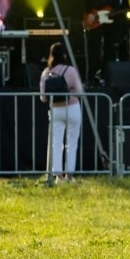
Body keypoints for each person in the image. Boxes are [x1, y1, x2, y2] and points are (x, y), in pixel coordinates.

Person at [39, 42, 84, 182]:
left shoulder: (46, 73)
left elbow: (43, 97)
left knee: (56, 143)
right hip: (72, 109)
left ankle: (58, 176)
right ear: (64, 55)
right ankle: (70, 175)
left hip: (56, 109)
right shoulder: (70, 70)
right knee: (72, 143)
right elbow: (79, 92)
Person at [83, 0, 130, 83]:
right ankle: (91, 77)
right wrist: (89, 13)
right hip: (95, 16)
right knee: (94, 48)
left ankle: (106, 76)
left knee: (110, 48)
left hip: (113, 19)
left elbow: (125, 3)